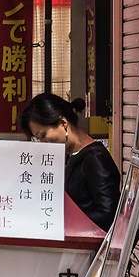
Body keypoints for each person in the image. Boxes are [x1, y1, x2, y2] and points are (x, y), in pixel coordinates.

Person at [24, 91, 121, 230]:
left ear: (63, 123)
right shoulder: (74, 156)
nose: (43, 143)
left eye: (43, 135)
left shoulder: (95, 158)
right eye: (38, 139)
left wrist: (59, 219)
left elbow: (109, 216)